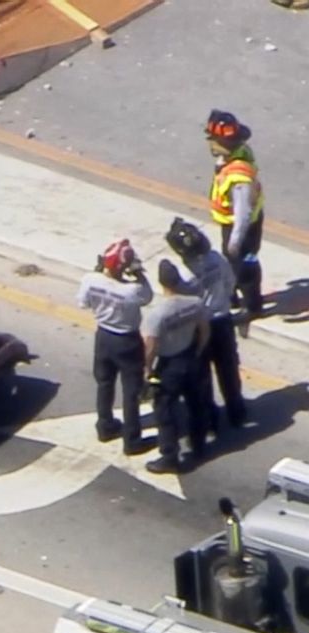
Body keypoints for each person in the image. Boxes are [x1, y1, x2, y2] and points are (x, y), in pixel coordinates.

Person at [165, 217, 248, 429]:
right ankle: (236, 411)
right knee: (228, 369)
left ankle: (211, 418)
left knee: (202, 375)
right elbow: (230, 283)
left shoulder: (183, 275)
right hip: (222, 321)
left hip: (198, 328)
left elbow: (179, 303)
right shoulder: (216, 259)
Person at [76, 239, 153, 455]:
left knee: (104, 383)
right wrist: (139, 274)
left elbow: (82, 303)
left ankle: (105, 425)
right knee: (131, 392)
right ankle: (132, 439)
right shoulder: (132, 291)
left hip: (103, 336)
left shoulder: (90, 281)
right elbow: (148, 295)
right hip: (127, 340)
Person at [141, 260, 211, 474]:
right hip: (190, 357)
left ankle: (170, 456)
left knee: (165, 411)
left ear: (161, 283)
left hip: (169, 364)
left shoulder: (157, 314)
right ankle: (198, 444)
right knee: (195, 404)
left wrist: (148, 370)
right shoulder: (194, 303)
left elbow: (150, 347)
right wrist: (197, 352)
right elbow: (205, 330)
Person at [205, 110, 265, 317]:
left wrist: (236, 240)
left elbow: (243, 213)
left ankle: (252, 306)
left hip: (243, 228)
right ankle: (231, 296)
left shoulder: (239, 177)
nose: (210, 143)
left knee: (245, 266)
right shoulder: (235, 155)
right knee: (231, 264)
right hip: (231, 224)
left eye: (213, 139)